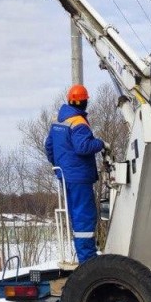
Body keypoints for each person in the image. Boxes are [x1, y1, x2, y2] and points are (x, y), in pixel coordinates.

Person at [45, 84, 105, 263]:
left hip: (65, 177)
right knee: (84, 217)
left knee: (76, 217)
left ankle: (84, 256)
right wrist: (100, 143)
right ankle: (87, 260)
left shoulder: (58, 120)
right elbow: (83, 146)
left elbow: (49, 146)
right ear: (84, 102)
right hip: (79, 177)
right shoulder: (78, 122)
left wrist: (59, 164)